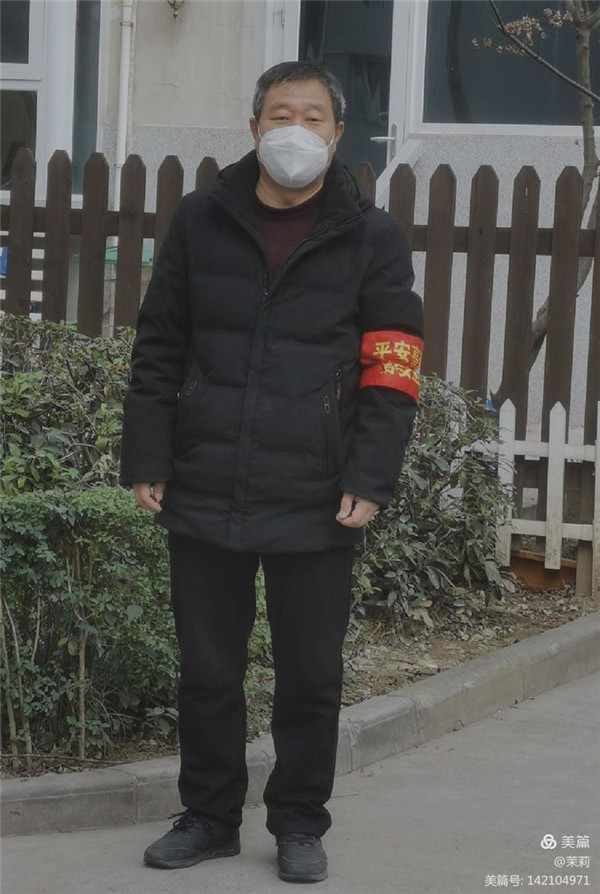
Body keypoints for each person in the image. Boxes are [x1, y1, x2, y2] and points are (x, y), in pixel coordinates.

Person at [119, 60, 424, 884]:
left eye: (312, 116)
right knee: (207, 671)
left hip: (318, 492)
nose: (296, 129)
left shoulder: (372, 236)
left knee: (311, 675)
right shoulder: (201, 218)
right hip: (204, 478)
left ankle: (297, 822)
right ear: (254, 127)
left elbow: (392, 367)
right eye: (280, 114)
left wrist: (370, 473)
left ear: (338, 133)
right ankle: (209, 816)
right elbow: (159, 345)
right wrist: (147, 454)